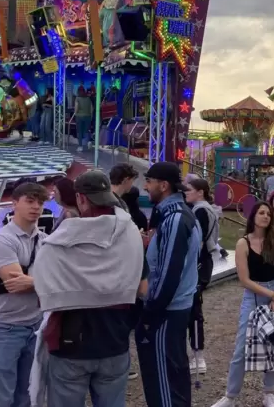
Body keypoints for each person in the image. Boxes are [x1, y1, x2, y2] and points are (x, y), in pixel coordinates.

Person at [33, 171, 144, 407]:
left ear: (81, 199)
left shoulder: (60, 241)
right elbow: (141, 284)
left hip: (71, 342)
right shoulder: (131, 232)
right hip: (115, 338)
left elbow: (42, 286)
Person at [211, 202, 274, 407]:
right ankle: (230, 395)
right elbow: (244, 280)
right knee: (241, 347)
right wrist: (272, 294)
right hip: (254, 295)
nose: (265, 216)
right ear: (253, 216)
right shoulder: (243, 243)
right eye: (261, 213)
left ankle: (269, 392)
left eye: (268, 213)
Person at [0, 182, 48, 407]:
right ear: (14, 203)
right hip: (4, 326)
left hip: (35, 323)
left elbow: (58, 278)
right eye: (30, 201)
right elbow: (15, 283)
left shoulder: (45, 239)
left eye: (40, 202)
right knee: (1, 397)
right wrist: (49, 281)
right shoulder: (2, 240)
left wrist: (35, 281)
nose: (36, 207)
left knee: (27, 394)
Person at [139, 162, 201, 407]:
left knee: (164, 380)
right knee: (173, 376)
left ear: (163, 186)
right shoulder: (178, 214)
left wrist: (151, 310)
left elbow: (169, 273)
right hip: (172, 308)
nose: (146, 186)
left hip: (167, 311)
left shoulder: (176, 218)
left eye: (149, 181)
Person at [184, 177, 220, 375]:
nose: (186, 192)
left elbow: (198, 241)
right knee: (193, 309)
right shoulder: (205, 209)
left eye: (189, 189)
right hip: (203, 263)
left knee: (194, 311)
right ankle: (196, 354)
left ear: (200, 192)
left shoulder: (201, 211)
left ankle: (198, 356)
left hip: (199, 264)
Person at [73, 85, 94, 152]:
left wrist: (75, 113)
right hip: (87, 116)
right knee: (86, 131)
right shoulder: (88, 98)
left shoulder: (77, 98)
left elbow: (76, 107)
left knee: (79, 132)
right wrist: (90, 116)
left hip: (79, 117)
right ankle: (88, 142)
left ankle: (80, 146)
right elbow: (92, 108)